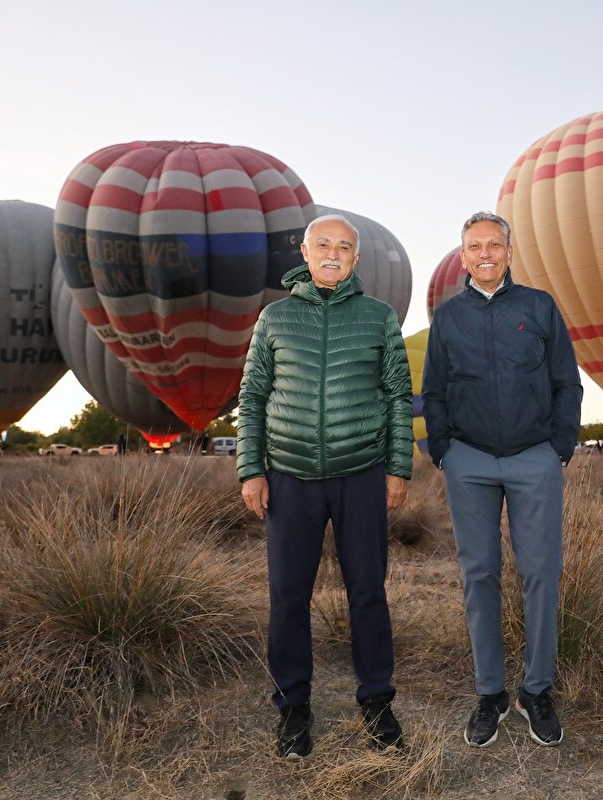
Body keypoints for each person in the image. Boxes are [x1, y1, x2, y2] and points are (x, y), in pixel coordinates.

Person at [237, 214, 413, 759]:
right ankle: (293, 708)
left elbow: (399, 397)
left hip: (361, 476)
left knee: (368, 594)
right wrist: (251, 468)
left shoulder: (379, 318)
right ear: (305, 253)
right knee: (288, 596)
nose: (333, 254)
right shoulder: (275, 318)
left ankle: (377, 701)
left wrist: (398, 467)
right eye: (323, 245)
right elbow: (252, 398)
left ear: (356, 260)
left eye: (344, 247)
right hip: (290, 479)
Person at [422, 211, 583, 748]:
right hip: (468, 460)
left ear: (509, 253)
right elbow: (435, 390)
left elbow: (566, 381)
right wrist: (444, 450)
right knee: (480, 576)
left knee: (540, 573)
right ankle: (490, 692)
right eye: (474, 246)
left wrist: (558, 448)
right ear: (462, 256)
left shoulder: (539, 307)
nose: (485, 253)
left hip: (533, 457)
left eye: (494, 244)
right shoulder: (448, 318)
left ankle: (536, 690)